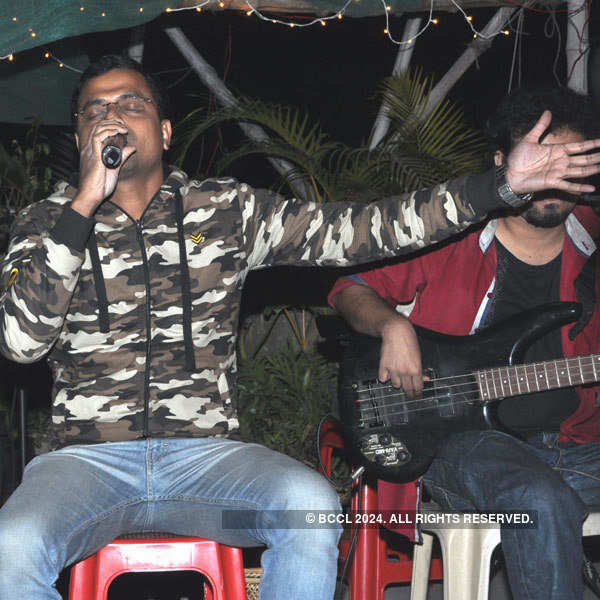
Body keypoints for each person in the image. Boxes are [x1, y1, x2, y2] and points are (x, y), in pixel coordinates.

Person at [0, 56, 599, 600]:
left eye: (133, 103)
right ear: (81, 136)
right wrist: (81, 207)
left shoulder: (224, 211)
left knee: (310, 505)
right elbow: (22, 343)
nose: (114, 116)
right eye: (96, 110)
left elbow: (368, 228)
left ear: (163, 131)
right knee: (12, 548)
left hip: (207, 458)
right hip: (83, 462)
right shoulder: (46, 223)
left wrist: (496, 188)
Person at [329, 87, 600, 599]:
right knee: (539, 498)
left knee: (549, 494)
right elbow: (349, 288)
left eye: (564, 162)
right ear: (504, 163)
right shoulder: (451, 235)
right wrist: (393, 326)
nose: (549, 179)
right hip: (463, 445)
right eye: (536, 159)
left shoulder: (594, 242)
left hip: (578, 445)